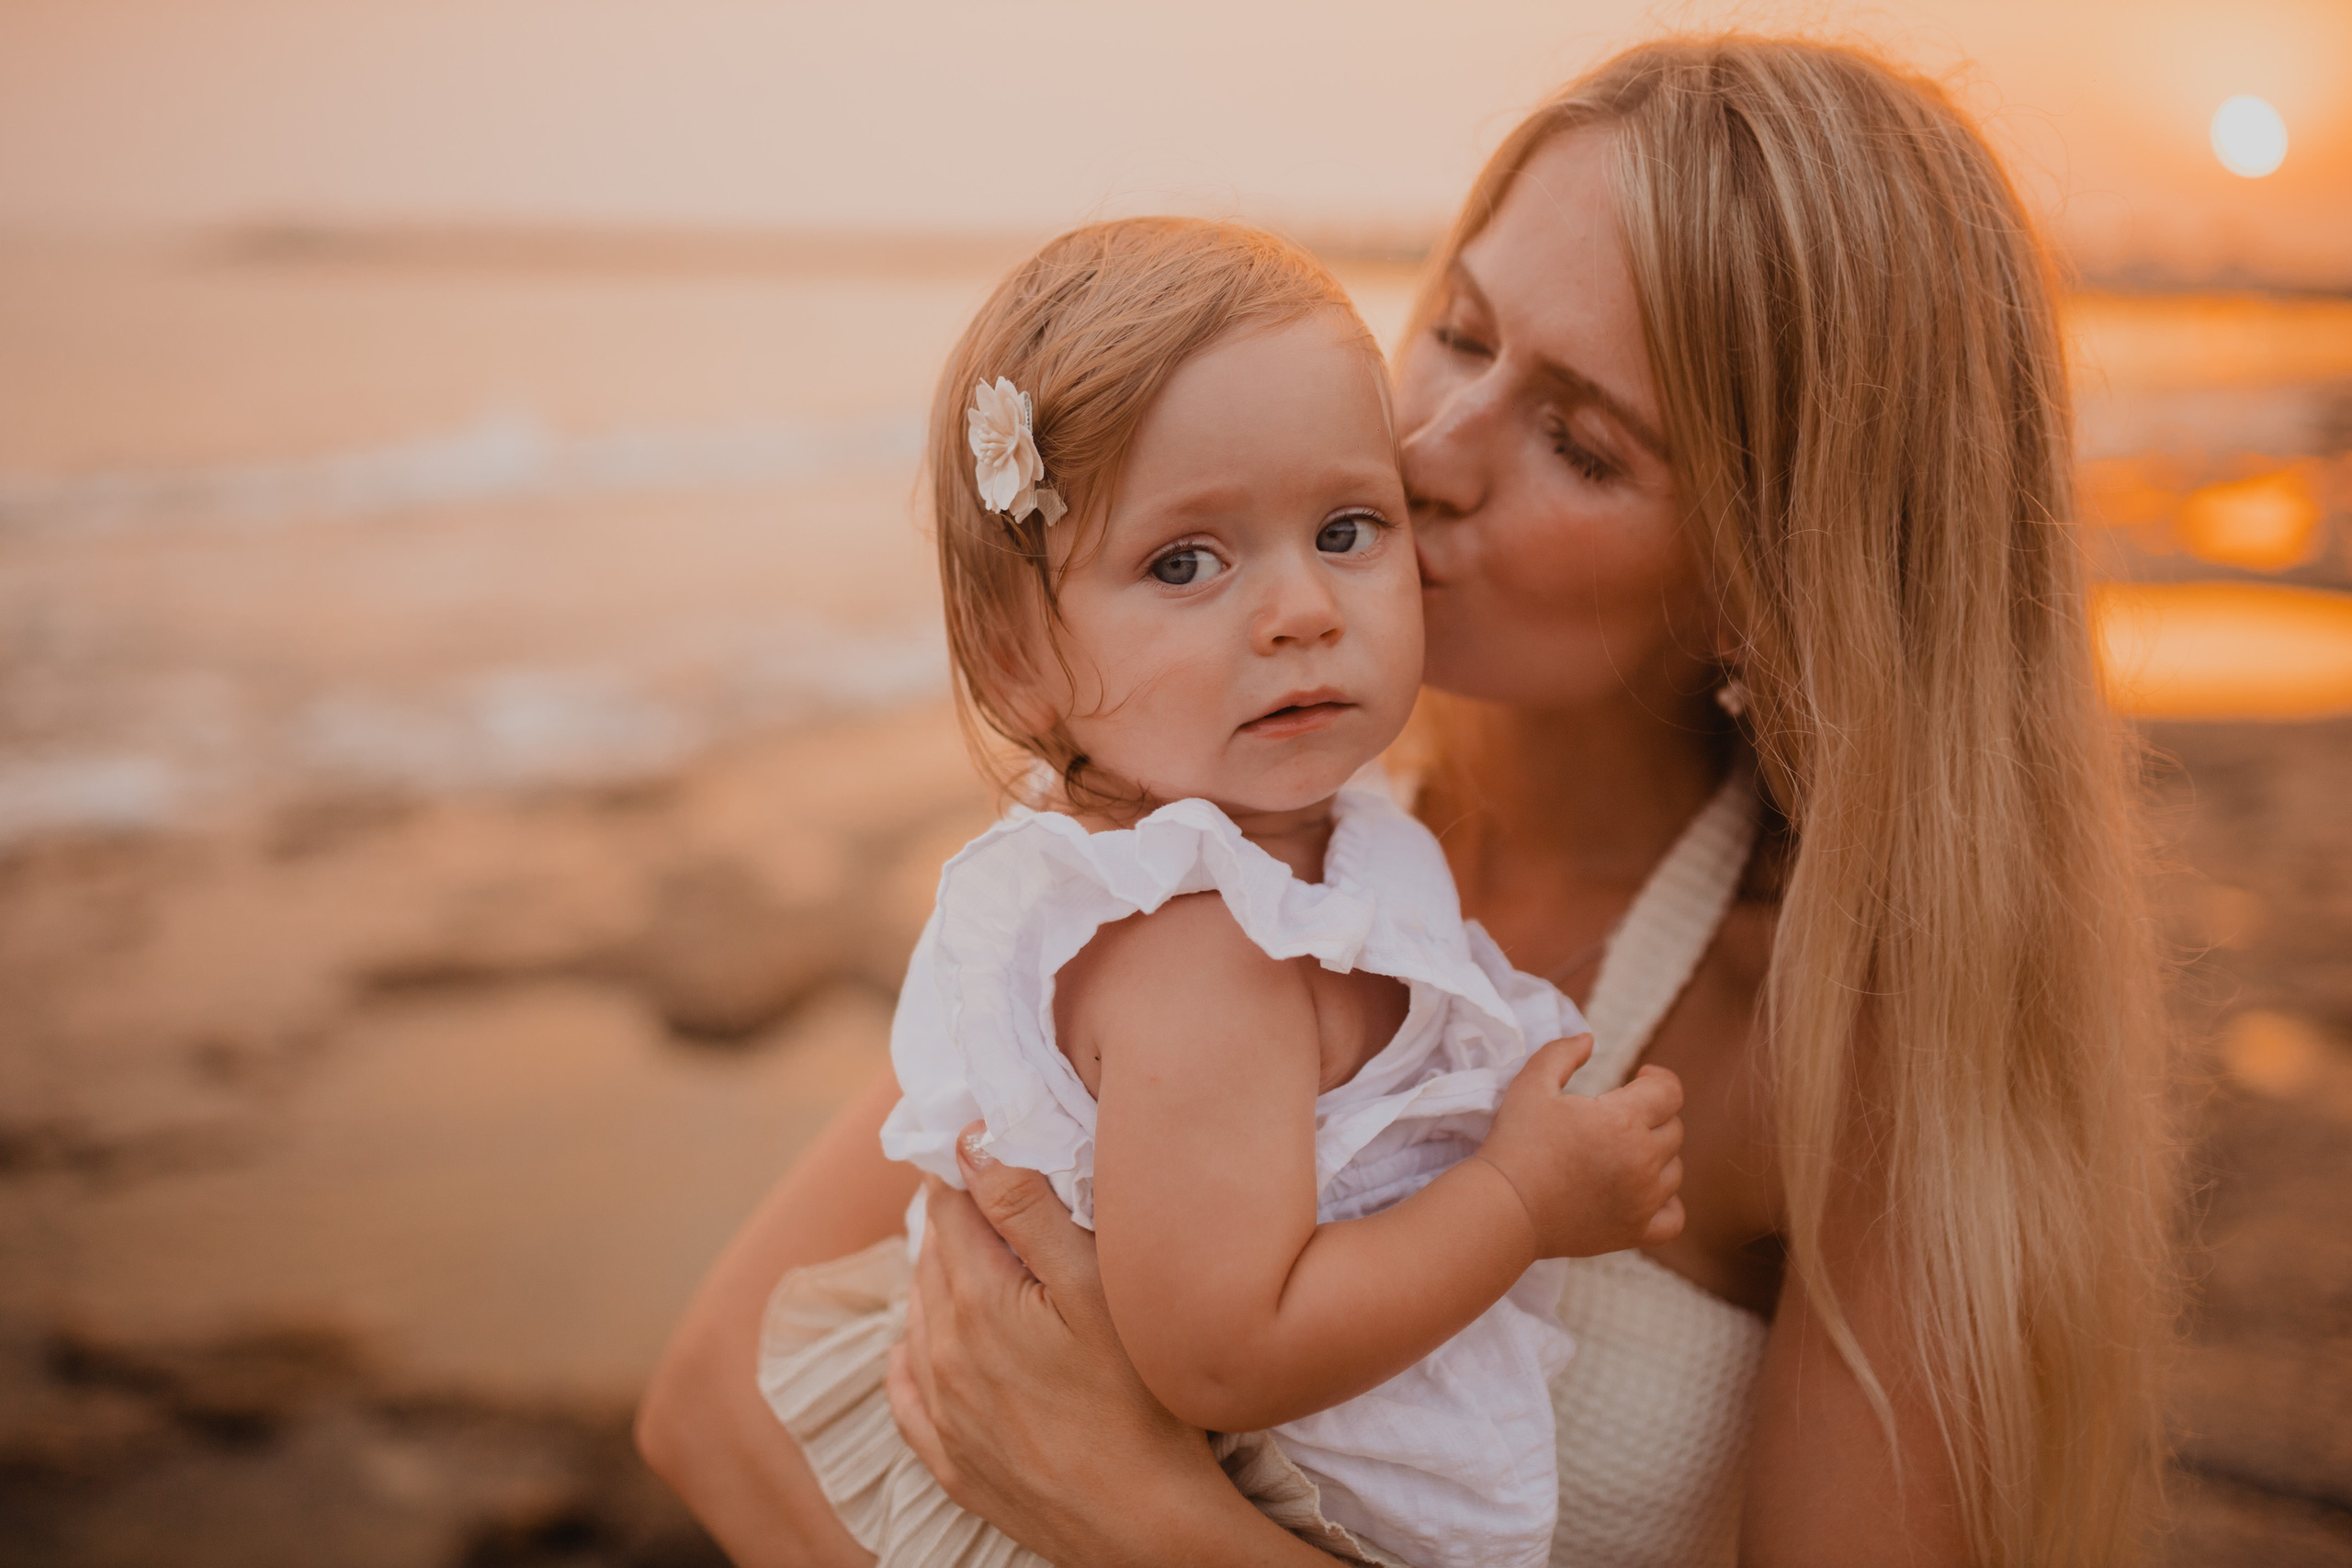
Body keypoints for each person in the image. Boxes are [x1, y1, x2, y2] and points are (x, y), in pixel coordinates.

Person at [639, 34, 2175, 1568]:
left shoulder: (1836, 1044)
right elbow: (718, 1401)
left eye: (1578, 440)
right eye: (1459, 331)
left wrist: (1134, 1515)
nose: (1430, 450)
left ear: (1767, 583)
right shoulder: (1214, 849)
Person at [752, 216, 1685, 1568]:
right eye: (1186, 562)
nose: (1302, 606)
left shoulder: (1308, 851)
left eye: (1350, 527)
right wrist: (1524, 1201)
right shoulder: (1203, 949)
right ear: (1018, 661)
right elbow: (1231, 1357)